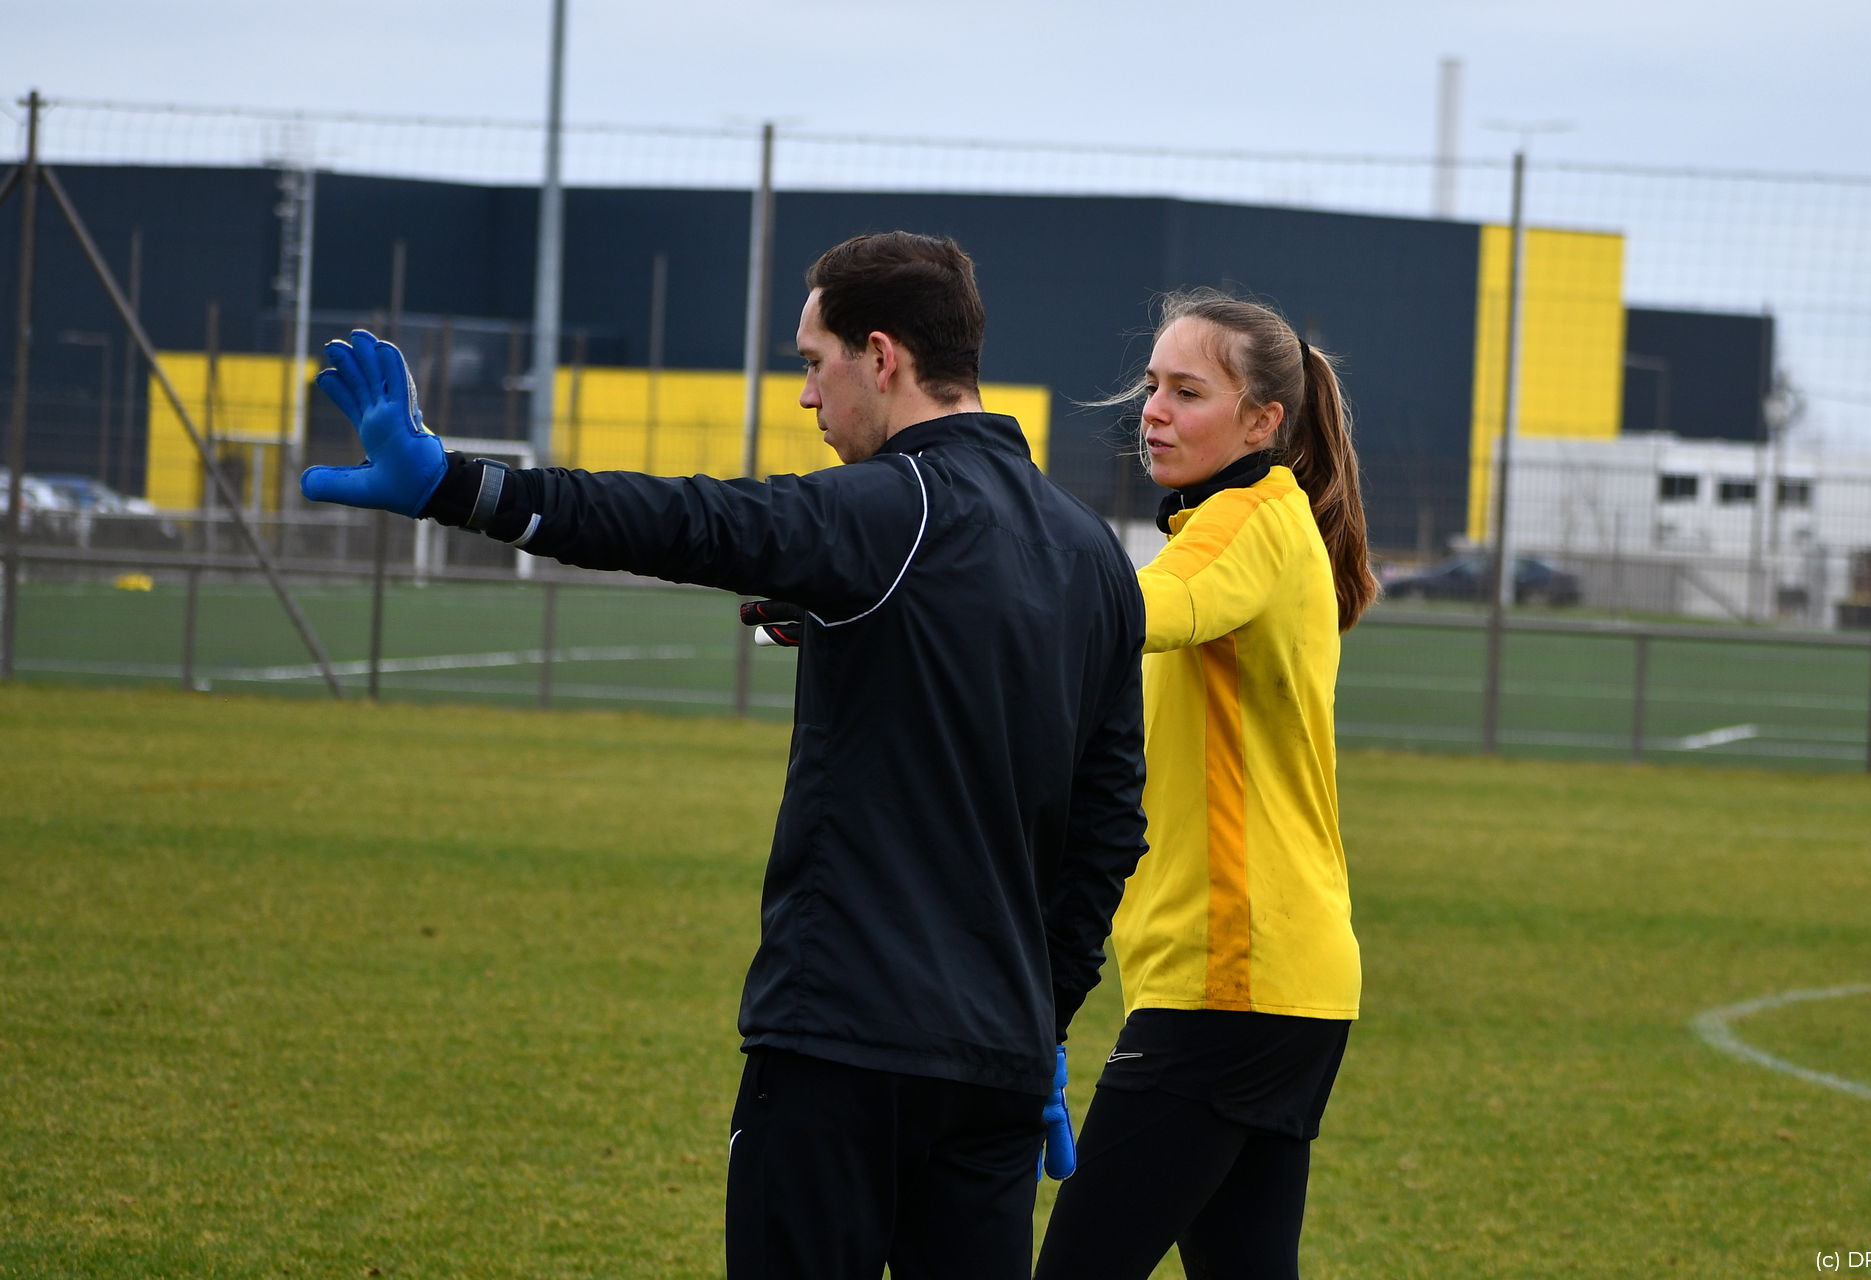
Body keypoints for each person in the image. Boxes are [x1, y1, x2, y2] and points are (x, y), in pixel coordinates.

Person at [299, 231, 1149, 1280]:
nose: (806, 395)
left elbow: (686, 521)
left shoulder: (892, 506)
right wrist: (1040, 1015)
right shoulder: (1095, 554)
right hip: (997, 1072)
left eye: (813, 362)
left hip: (841, 1045)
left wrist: (455, 485)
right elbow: (1111, 826)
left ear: (882, 357)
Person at [1033, 289, 1376, 1280]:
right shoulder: (1255, 520)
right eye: (1152, 386)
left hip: (1232, 985)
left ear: (1263, 421)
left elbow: (1141, 610)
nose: (1154, 411)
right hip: (1283, 985)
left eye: (1187, 392)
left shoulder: (1245, 518)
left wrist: (933, 589)